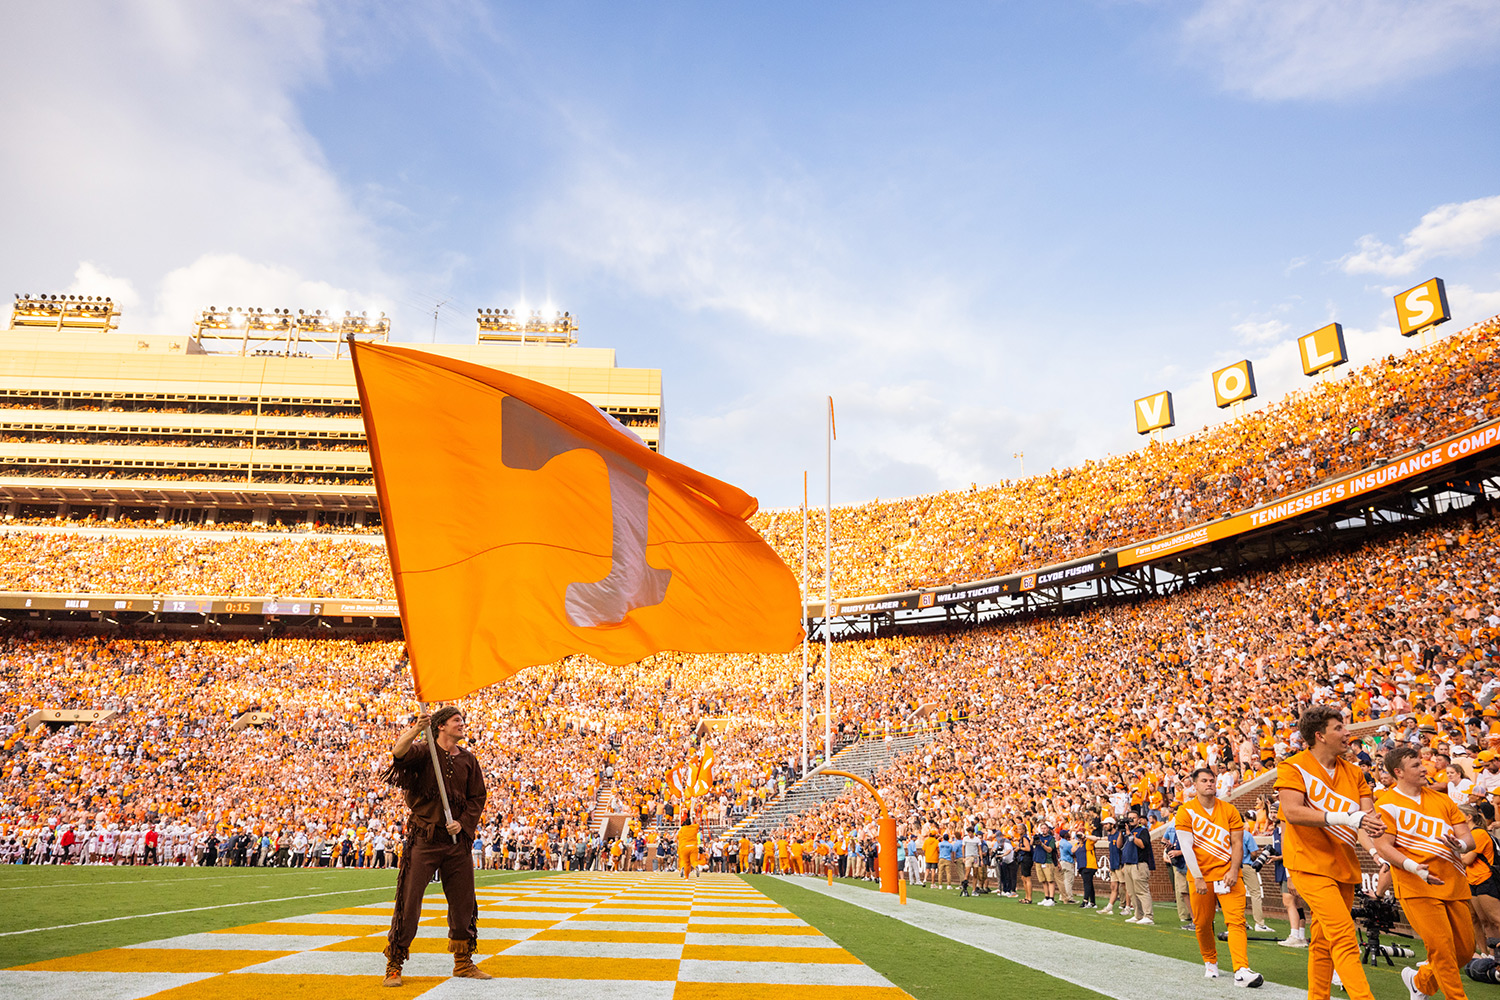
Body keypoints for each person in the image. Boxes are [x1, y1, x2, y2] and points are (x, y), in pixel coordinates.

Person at [1276, 704, 1385, 1000]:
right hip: (1308, 863)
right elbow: (1292, 811)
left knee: (1323, 942)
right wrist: (1344, 818)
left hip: (1344, 866)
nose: (1347, 732)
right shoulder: (1292, 766)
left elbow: (1365, 821)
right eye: (1339, 728)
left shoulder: (1355, 773)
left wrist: (1377, 852)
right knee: (1344, 934)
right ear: (1319, 735)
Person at [381, 707, 491, 987]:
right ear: (440, 726)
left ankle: (463, 962)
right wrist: (418, 728)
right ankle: (395, 963)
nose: (462, 725)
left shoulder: (468, 759)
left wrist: (464, 823)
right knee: (410, 899)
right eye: (457, 721)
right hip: (424, 837)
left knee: (463, 902)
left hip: (456, 842)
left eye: (462, 721)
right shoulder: (422, 751)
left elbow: (477, 796)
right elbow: (397, 753)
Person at [1369, 744, 1475, 1000]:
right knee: (1442, 950)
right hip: (1416, 885)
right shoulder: (1387, 804)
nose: (1423, 768)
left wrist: (1459, 845)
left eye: (1421, 763)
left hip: (1453, 881)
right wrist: (1413, 867)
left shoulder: (1442, 799)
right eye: (1415, 765)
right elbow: (1383, 847)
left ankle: (1420, 982)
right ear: (1399, 772)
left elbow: (1467, 839)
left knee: (1464, 951)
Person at [1174, 766, 1263, 987]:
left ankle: (1241, 969)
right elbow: (1186, 847)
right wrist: (1198, 877)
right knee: (1203, 924)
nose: (1209, 784)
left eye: (1212, 780)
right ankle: (1210, 961)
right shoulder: (1186, 811)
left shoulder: (1229, 810)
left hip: (1228, 875)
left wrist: (1234, 870)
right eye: (1204, 780)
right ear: (1194, 785)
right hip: (1200, 877)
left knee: (1237, 921)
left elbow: (1236, 843)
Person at [1121, 809, 1154, 925]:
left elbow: (1142, 845)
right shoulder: (1127, 831)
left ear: (1139, 819)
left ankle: (1148, 915)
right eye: (1129, 818)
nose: (1131, 820)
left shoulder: (1143, 831)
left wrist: (1131, 835)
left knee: (1142, 891)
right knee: (1131, 892)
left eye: (1133, 818)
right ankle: (1138, 915)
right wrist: (1122, 832)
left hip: (1139, 864)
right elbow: (1120, 845)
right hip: (1128, 864)